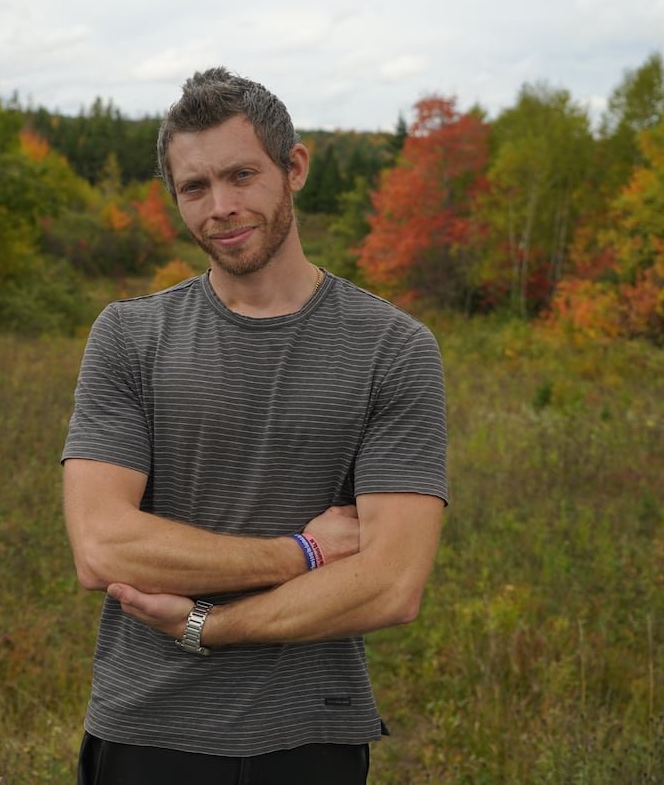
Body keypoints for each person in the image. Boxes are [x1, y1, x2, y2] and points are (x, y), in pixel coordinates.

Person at [61, 67, 448, 784]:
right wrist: (298, 552)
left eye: (242, 175)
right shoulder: (128, 336)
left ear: (293, 166)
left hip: (310, 735)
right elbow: (101, 544)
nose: (222, 208)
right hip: (146, 726)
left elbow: (391, 583)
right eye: (195, 188)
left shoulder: (392, 348)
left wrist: (208, 624)